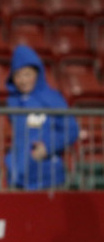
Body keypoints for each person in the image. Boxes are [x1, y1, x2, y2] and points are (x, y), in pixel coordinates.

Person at [5, 44, 79, 189]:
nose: (23, 80)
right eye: (18, 75)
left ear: (37, 74)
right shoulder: (12, 102)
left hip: (47, 176)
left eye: (27, 74)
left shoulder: (52, 98)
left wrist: (47, 147)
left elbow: (71, 130)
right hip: (18, 177)